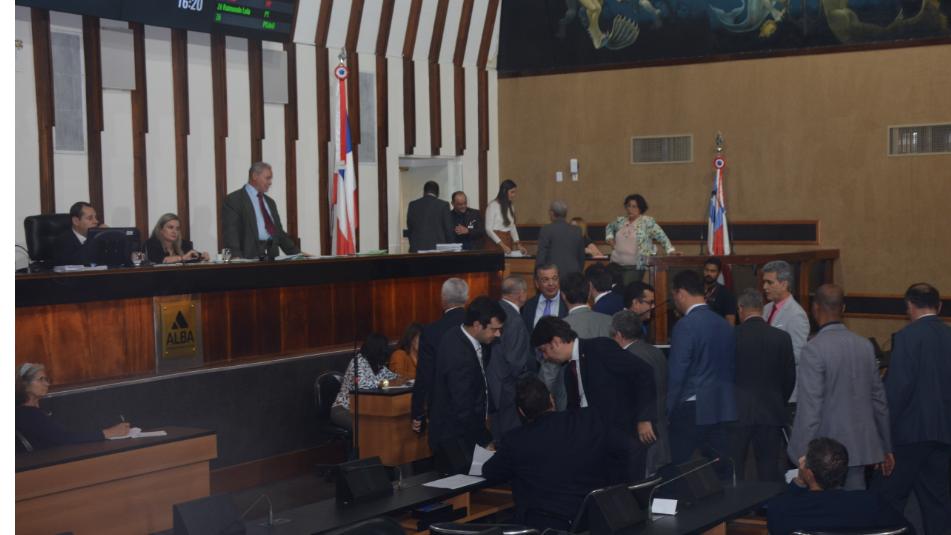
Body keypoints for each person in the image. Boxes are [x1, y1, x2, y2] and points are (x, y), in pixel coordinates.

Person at [482, 376, 631, 532]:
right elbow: (625, 449)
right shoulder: (588, 420)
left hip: (546, 525)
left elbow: (490, 471)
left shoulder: (516, 440)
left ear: (521, 412)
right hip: (594, 519)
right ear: (552, 400)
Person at [787, 284, 893, 490]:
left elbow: (810, 409)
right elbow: (879, 401)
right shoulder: (865, 346)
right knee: (854, 505)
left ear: (815, 308)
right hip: (861, 446)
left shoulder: (813, 349)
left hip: (827, 455)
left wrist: (799, 453)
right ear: (843, 309)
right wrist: (886, 445)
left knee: (826, 507)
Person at [531, 316, 656, 480]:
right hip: (596, 445)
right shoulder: (569, 371)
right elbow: (574, 410)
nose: (545, 357)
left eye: (543, 350)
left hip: (623, 439)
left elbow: (643, 373)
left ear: (555, 342)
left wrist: (644, 418)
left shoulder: (599, 348)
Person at [874, 283, 951, 534]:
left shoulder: (906, 337)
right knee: (937, 502)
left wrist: (885, 438)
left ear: (909, 305)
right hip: (943, 433)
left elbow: (898, 391)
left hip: (909, 435)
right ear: (939, 306)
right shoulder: (948, 336)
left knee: (890, 498)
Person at [667, 270, 737, 479]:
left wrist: (669, 409)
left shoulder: (685, 325)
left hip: (691, 408)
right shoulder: (724, 324)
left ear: (680, 293)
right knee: (720, 470)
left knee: (681, 471)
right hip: (722, 405)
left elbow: (677, 372)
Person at [767, 437, 909, 535]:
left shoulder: (783, 509)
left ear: (809, 473)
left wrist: (799, 481)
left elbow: (776, 526)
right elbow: (904, 529)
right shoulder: (872, 503)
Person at [732, 288, 796, 482]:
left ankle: (738, 500)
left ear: (740, 309)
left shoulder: (731, 336)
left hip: (737, 412)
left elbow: (724, 376)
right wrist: (778, 400)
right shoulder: (782, 338)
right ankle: (768, 500)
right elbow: (790, 378)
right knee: (768, 469)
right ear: (762, 309)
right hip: (771, 411)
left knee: (735, 467)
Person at [428, 297, 506, 451]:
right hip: (456, 439)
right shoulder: (459, 355)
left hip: (465, 432)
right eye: (494, 329)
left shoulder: (458, 334)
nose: (498, 334)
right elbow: (463, 407)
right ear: (477, 325)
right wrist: (485, 440)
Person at [16, 363, 130, 451]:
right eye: (41, 379)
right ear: (25, 384)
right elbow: (65, 438)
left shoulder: (29, 411)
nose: (47, 384)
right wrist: (108, 433)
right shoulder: (28, 415)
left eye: (46, 379)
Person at [612, 310, 671, 477]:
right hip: (661, 428)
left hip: (643, 433)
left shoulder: (628, 357)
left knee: (643, 482)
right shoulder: (655, 351)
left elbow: (635, 395)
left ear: (618, 334)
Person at [547, 272, 613, 410]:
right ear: (589, 293)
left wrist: (544, 397)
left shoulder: (559, 328)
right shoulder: (610, 322)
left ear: (563, 295)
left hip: (570, 403)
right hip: (608, 399)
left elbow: (550, 371)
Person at [411, 278, 469, 433]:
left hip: (442, 410)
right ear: (466, 298)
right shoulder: (476, 327)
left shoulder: (431, 332)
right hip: (473, 406)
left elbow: (424, 375)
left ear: (443, 300)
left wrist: (417, 412)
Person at [486, 276, 534, 443]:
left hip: (493, 386)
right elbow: (515, 362)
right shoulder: (515, 320)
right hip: (508, 390)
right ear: (521, 294)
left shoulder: (493, 311)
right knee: (510, 439)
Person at [222, 162, 301, 259]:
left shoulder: (270, 202)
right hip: (247, 259)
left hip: (271, 258)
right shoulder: (234, 200)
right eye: (267, 178)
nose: (270, 182)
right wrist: (235, 257)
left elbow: (279, 233)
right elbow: (231, 233)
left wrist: (298, 254)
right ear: (255, 176)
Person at [761, 259, 810, 405]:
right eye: (764, 282)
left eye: (769, 282)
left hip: (785, 392)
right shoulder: (766, 309)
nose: (764, 287)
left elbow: (797, 355)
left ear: (784, 284)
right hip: (767, 388)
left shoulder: (796, 315)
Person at [331, 334, 399, 431]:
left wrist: (404, 380)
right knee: (366, 428)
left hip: (365, 409)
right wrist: (384, 383)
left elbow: (393, 377)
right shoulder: (357, 363)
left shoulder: (377, 364)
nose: (386, 351)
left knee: (382, 424)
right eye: (384, 348)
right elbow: (363, 385)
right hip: (344, 409)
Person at [604, 194, 677, 285]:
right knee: (614, 290)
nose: (630, 209)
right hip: (615, 264)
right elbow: (609, 227)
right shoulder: (620, 221)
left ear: (641, 208)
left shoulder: (647, 222)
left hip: (634, 266)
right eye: (628, 206)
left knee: (628, 289)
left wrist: (670, 250)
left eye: (634, 206)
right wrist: (610, 239)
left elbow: (662, 237)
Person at [535, 200, 585, 277]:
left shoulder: (546, 230)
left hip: (552, 276)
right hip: (574, 275)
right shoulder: (577, 230)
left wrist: (537, 276)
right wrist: (578, 273)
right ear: (566, 214)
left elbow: (541, 256)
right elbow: (581, 256)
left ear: (551, 213)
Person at [406, 181, 453, 252]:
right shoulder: (444, 205)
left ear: (424, 192)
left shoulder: (412, 204)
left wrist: (413, 244)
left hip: (416, 249)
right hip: (438, 249)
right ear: (438, 193)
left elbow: (410, 228)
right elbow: (448, 230)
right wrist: (450, 248)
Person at [144, 213, 209, 264]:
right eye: (170, 227)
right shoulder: (151, 244)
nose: (174, 231)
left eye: (177, 229)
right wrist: (182, 258)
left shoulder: (185, 244)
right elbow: (160, 260)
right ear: (161, 229)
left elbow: (193, 256)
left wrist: (202, 256)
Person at [485, 179, 527, 255]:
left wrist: (518, 245)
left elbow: (512, 226)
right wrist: (502, 245)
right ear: (504, 191)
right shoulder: (492, 205)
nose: (514, 195)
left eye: (515, 192)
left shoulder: (510, 206)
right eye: (512, 192)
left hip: (507, 240)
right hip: (495, 243)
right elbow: (488, 229)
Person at [52, 201, 100, 266]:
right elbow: (76, 262)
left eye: (95, 217)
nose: (96, 221)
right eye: (90, 218)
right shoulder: (62, 241)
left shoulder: (100, 238)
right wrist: (92, 239)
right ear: (76, 221)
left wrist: (108, 235)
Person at [520, 264, 567, 330]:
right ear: (537, 283)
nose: (551, 283)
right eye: (545, 280)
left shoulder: (568, 302)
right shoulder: (529, 305)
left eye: (555, 279)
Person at [702, 257, 737, 325]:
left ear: (719, 272)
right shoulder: (695, 289)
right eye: (706, 270)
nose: (708, 274)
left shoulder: (727, 294)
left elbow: (730, 321)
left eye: (713, 271)